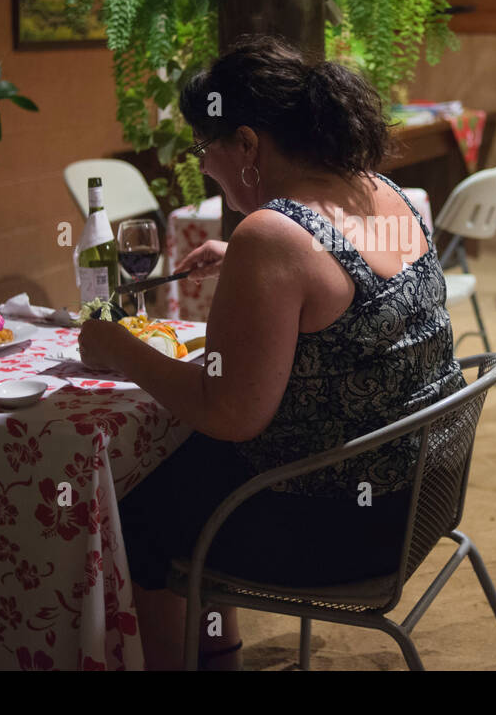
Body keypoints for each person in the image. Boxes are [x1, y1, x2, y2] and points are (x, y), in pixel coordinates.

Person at [76, 35, 465, 670]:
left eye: (207, 148)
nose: (204, 167)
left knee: (137, 518)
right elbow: (358, 294)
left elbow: (230, 413)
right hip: (422, 493)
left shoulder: (272, 234)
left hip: (346, 528)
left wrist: (116, 346)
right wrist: (254, 272)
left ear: (249, 144)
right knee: (191, 470)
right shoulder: (383, 190)